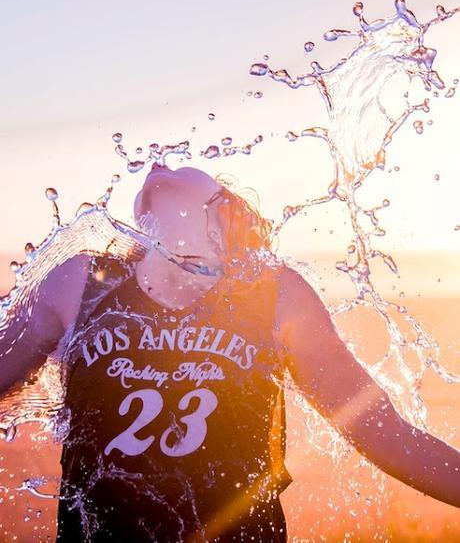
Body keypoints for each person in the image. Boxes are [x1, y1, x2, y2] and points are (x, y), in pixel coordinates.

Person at [1, 163, 459, 542]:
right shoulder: (81, 282)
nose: (160, 166)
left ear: (227, 215)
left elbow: (386, 435)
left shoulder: (274, 296)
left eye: (182, 166)